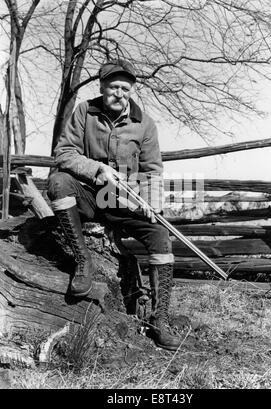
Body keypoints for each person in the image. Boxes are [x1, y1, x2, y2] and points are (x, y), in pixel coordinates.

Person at [47, 58, 181, 351]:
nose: (119, 93)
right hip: (90, 196)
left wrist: (153, 203)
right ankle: (84, 261)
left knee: (160, 235)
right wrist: (97, 169)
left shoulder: (144, 124)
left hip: (124, 202)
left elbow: (152, 171)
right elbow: (64, 153)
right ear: (102, 87)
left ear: (131, 90)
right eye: (113, 87)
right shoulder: (85, 111)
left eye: (125, 88)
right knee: (58, 182)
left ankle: (160, 319)